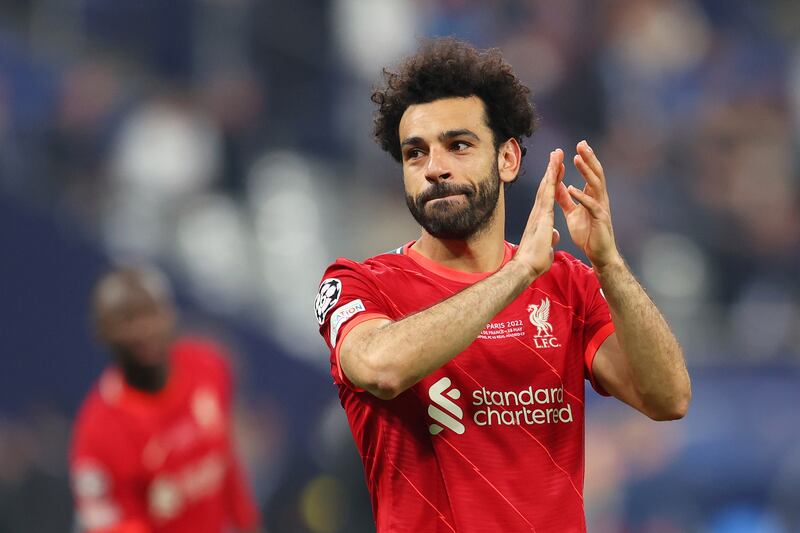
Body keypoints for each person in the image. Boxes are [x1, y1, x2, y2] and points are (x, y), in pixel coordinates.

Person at [315, 38, 691, 532]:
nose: (434, 168)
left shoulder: (568, 286)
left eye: (459, 145)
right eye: (415, 153)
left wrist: (609, 265)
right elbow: (380, 368)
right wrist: (517, 275)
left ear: (508, 159)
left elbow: (669, 399)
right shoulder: (360, 284)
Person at [70, 265, 262, 533]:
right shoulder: (97, 433)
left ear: (171, 313)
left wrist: (247, 523)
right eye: (127, 320)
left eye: (152, 312)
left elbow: (226, 461)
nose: (144, 329)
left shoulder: (208, 366)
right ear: (101, 332)